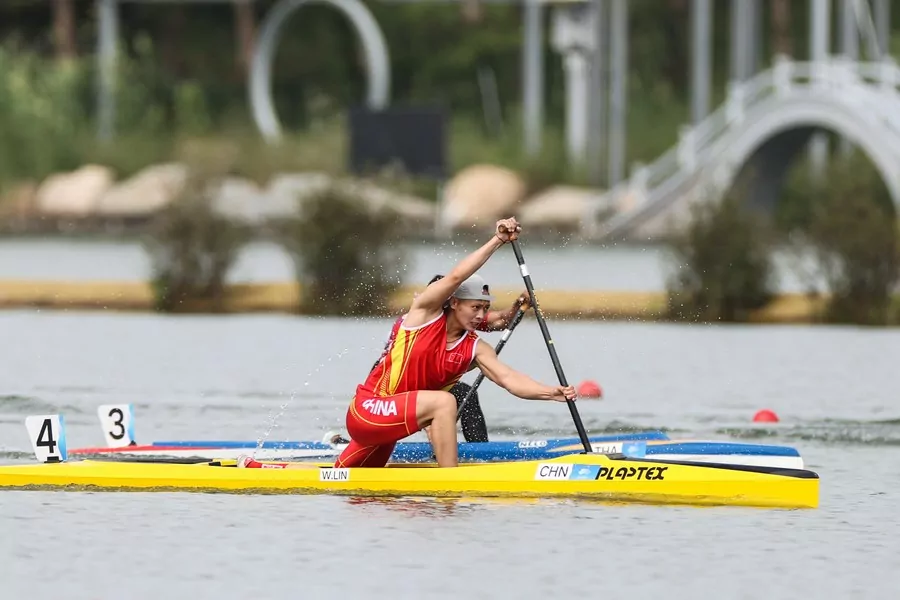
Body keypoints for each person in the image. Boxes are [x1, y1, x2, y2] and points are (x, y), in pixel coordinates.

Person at [237, 217, 576, 470]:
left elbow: (509, 379)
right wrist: (496, 241)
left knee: (341, 476)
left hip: (390, 427)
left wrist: (552, 392)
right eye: (475, 308)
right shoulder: (424, 314)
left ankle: (261, 469)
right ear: (454, 303)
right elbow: (457, 277)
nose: (480, 316)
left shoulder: (475, 347)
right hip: (368, 411)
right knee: (444, 403)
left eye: (484, 310)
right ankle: (450, 482)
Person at [371, 274, 531, 443]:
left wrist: (519, 304)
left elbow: (499, 320)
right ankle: (375, 442)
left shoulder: (454, 316)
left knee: (465, 394)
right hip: (393, 380)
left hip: (431, 379)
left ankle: (478, 450)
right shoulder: (418, 321)